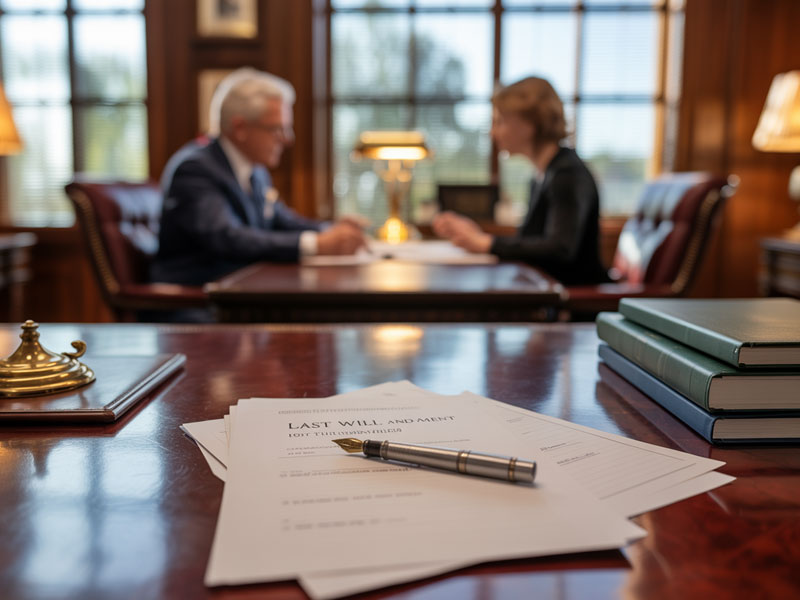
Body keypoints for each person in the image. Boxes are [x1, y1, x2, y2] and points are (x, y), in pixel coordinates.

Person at [151, 68, 365, 287]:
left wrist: (330, 230)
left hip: (242, 292)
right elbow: (227, 237)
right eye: (277, 129)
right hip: (197, 303)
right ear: (240, 127)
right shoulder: (195, 169)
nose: (287, 139)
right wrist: (315, 244)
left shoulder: (255, 171)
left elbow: (281, 221)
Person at [433, 76, 609, 285]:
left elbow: (560, 249)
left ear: (529, 124)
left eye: (500, 121)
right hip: (546, 292)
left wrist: (487, 243)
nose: (493, 132)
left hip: (574, 302)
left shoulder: (567, 174)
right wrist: (478, 235)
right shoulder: (543, 173)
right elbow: (532, 242)